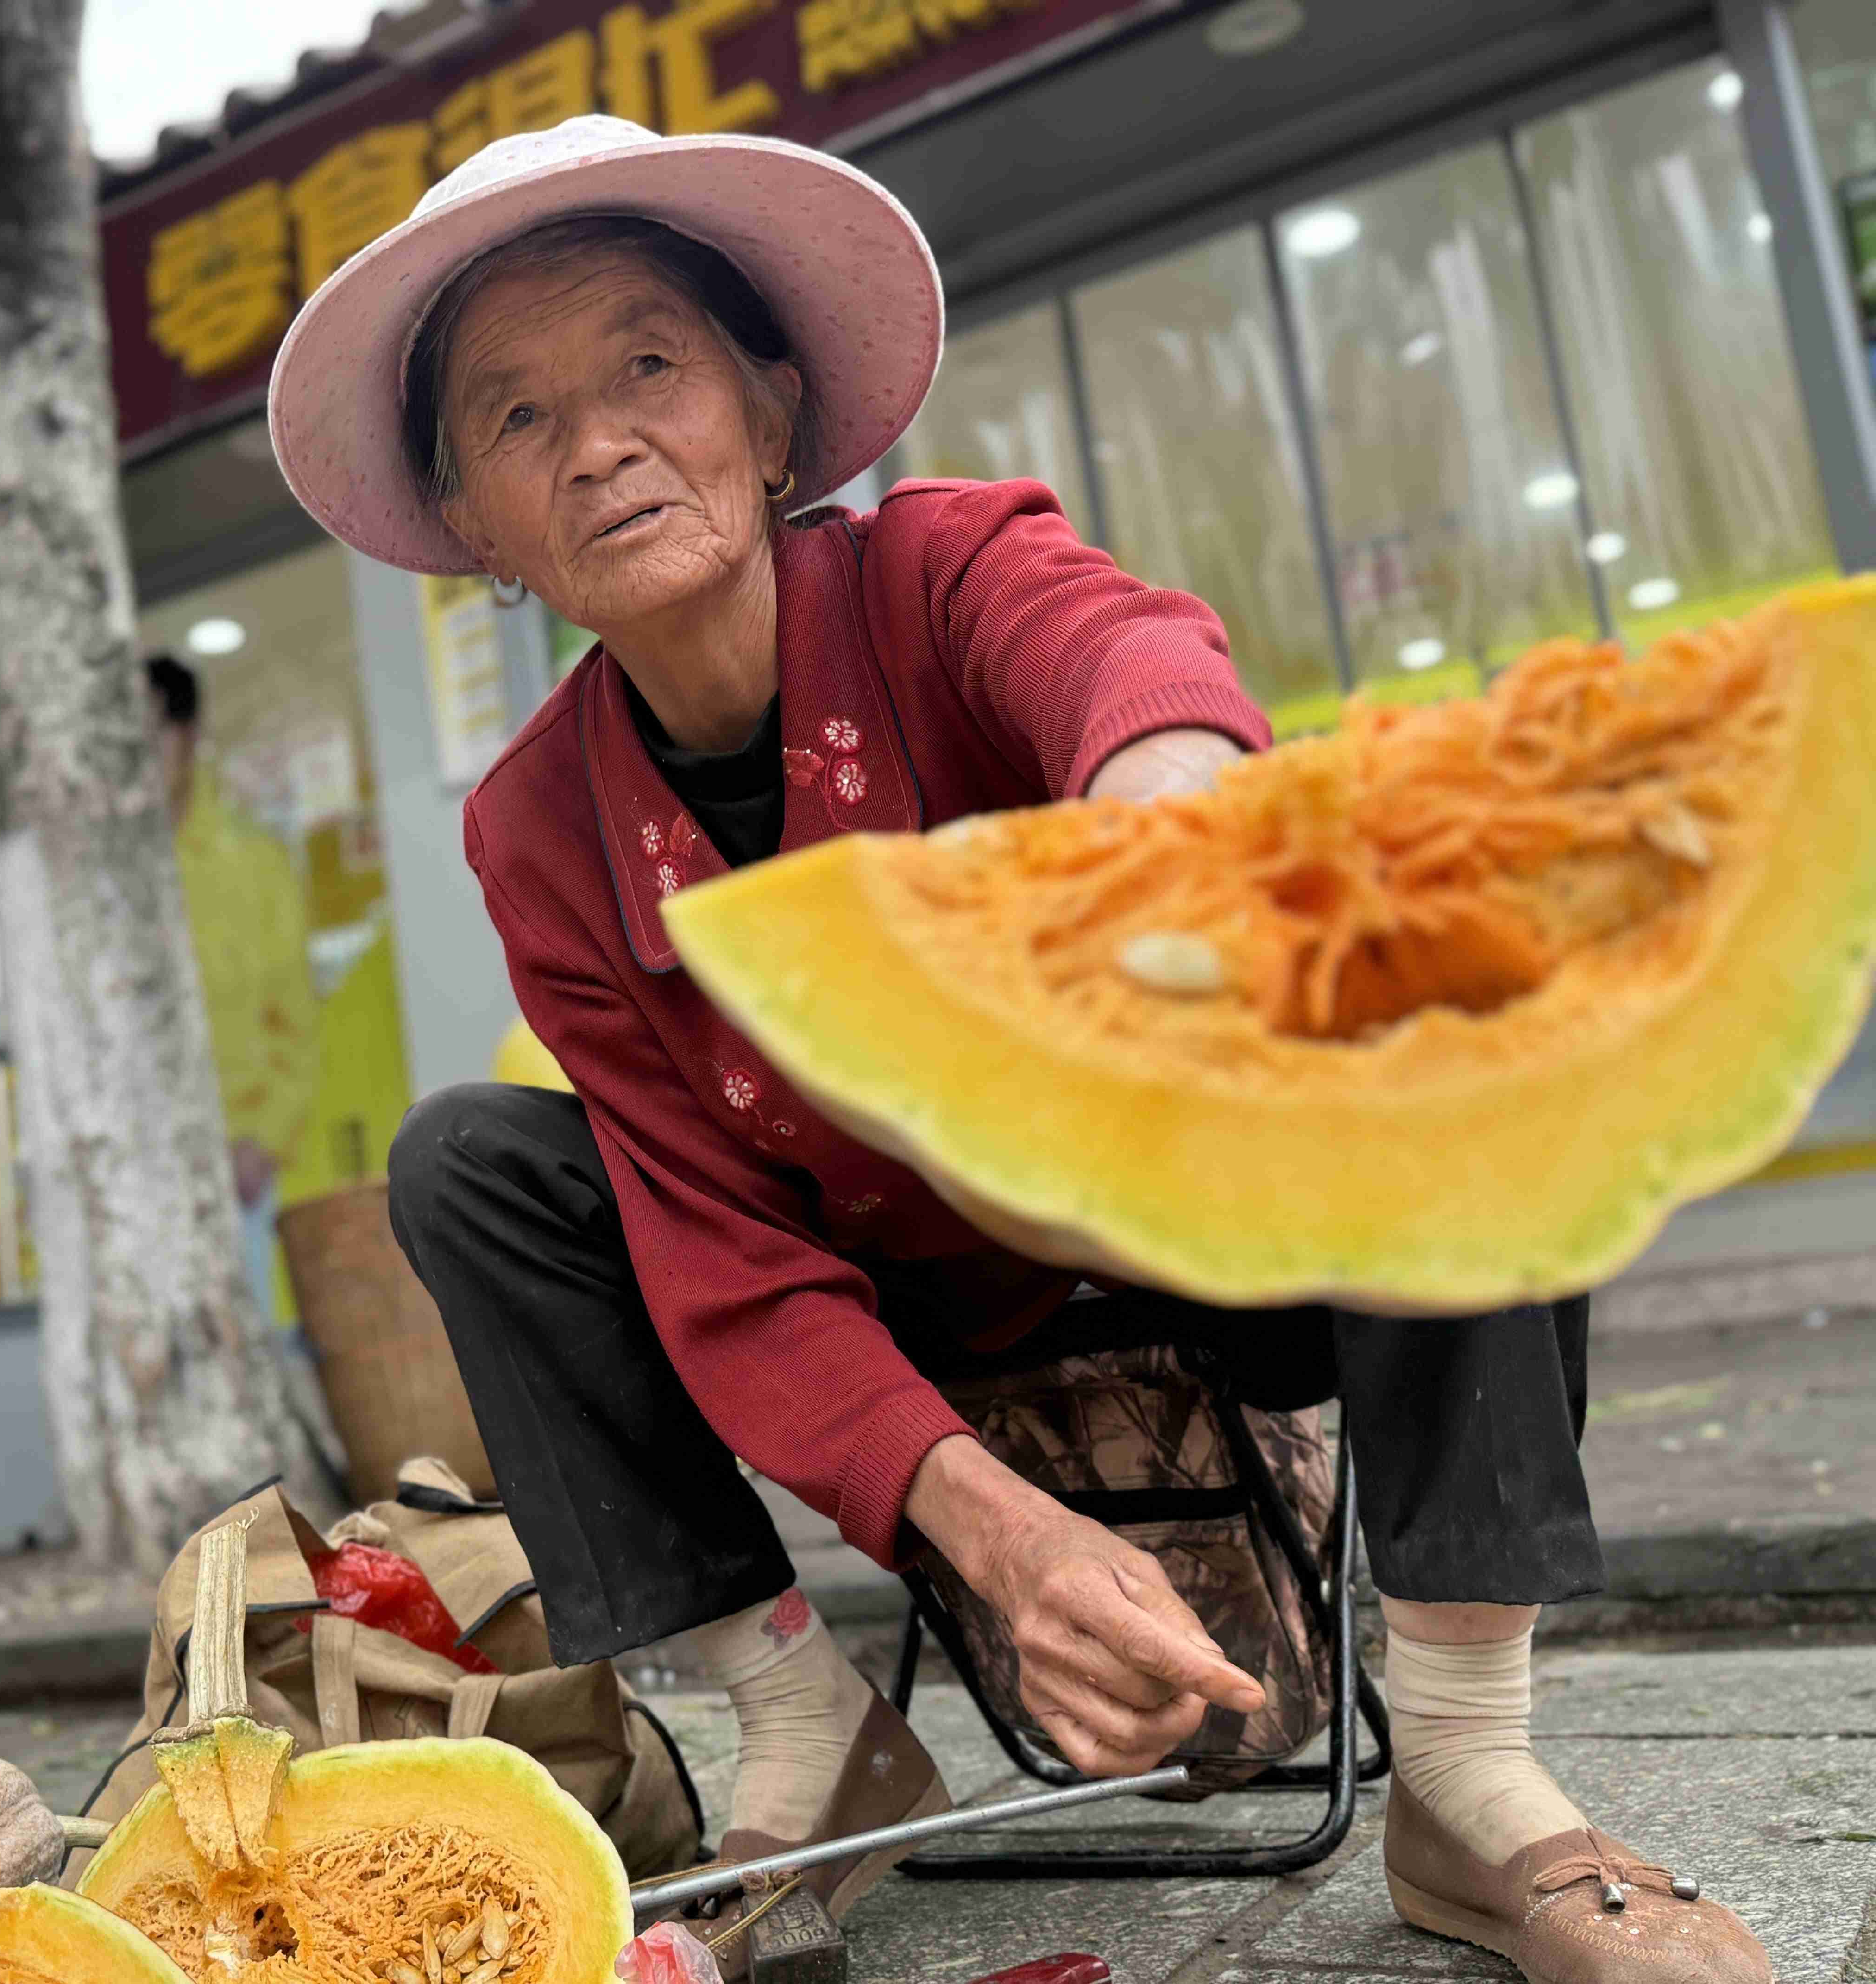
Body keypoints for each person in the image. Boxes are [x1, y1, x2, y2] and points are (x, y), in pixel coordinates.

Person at [265, 116, 1767, 1984]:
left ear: (776, 411)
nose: (597, 443)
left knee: (1445, 962)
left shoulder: (947, 571)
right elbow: (722, 1264)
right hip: (913, 1315)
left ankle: (1469, 1778)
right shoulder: (534, 830)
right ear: (477, 530)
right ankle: (811, 1733)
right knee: (474, 1165)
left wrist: (1173, 820)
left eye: (650, 365)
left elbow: (1128, 667)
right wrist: (995, 1534)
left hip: (1202, 1231)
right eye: (515, 418)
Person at [148, 653, 319, 1324]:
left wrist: (265, 1141)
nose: (138, 756)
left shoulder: (253, 864)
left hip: (232, 1164)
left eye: (151, 733)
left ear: (188, 735)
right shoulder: (107, 883)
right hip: (136, 1171)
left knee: (244, 1353)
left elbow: (296, 1023)